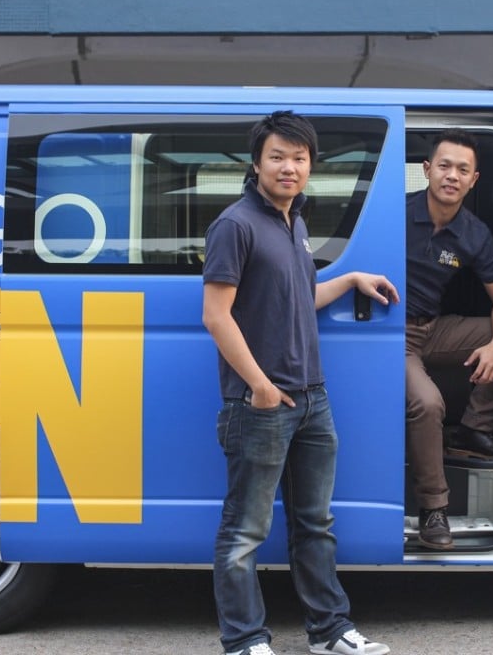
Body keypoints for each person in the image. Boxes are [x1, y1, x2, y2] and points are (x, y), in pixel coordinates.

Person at [203, 111, 395, 655]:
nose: (290, 167)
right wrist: (261, 387)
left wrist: (350, 279)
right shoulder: (236, 225)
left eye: (300, 158)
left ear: (311, 165)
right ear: (257, 163)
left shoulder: (295, 223)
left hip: (313, 400)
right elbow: (217, 316)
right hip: (262, 403)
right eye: (278, 157)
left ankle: (329, 631)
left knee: (316, 524)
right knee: (245, 532)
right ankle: (244, 641)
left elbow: (296, 300)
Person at [405, 129, 493, 550]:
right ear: (427, 170)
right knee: (427, 403)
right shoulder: (395, 215)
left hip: (434, 327)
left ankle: (473, 429)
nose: (452, 176)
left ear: (474, 179)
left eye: (462, 170)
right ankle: (433, 510)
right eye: (444, 166)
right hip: (389, 334)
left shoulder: (474, 233)